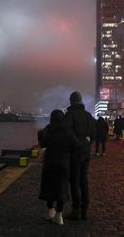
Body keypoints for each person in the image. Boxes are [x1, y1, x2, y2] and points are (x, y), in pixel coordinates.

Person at [38, 109, 80, 225]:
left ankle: (50, 211)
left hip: (50, 163)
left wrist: (40, 134)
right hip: (63, 163)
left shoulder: (49, 130)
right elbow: (76, 145)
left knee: (49, 187)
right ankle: (59, 215)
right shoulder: (68, 131)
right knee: (62, 188)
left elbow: (42, 143)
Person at [64, 91, 95, 221]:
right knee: (84, 180)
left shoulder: (69, 114)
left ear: (71, 101)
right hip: (86, 151)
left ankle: (76, 210)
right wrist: (88, 142)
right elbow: (94, 131)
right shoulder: (88, 115)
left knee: (74, 181)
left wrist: (76, 143)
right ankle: (85, 210)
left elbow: (66, 132)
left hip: (75, 152)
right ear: (81, 100)